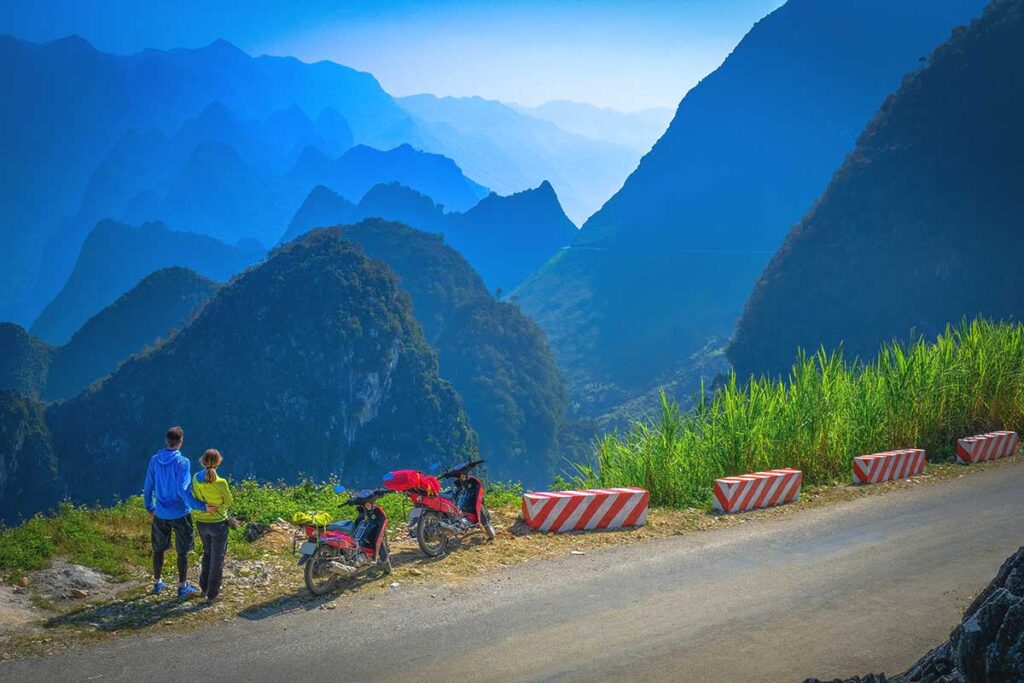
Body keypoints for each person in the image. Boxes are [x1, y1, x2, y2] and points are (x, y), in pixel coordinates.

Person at [142, 426, 215, 598]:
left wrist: (149, 507)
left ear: (167, 441)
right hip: (181, 513)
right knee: (182, 551)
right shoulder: (183, 462)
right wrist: (201, 506)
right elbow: (183, 490)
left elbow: (148, 487)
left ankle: (157, 582)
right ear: (181, 441)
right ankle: (182, 586)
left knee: (158, 549)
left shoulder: (154, 460)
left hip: (160, 513)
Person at [191, 448, 233, 604]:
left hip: (202, 522)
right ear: (218, 462)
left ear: (203, 461)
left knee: (207, 554)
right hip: (218, 524)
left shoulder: (196, 478)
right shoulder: (221, 483)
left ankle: (203, 586)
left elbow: (194, 496)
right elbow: (229, 502)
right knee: (218, 558)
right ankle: (213, 593)